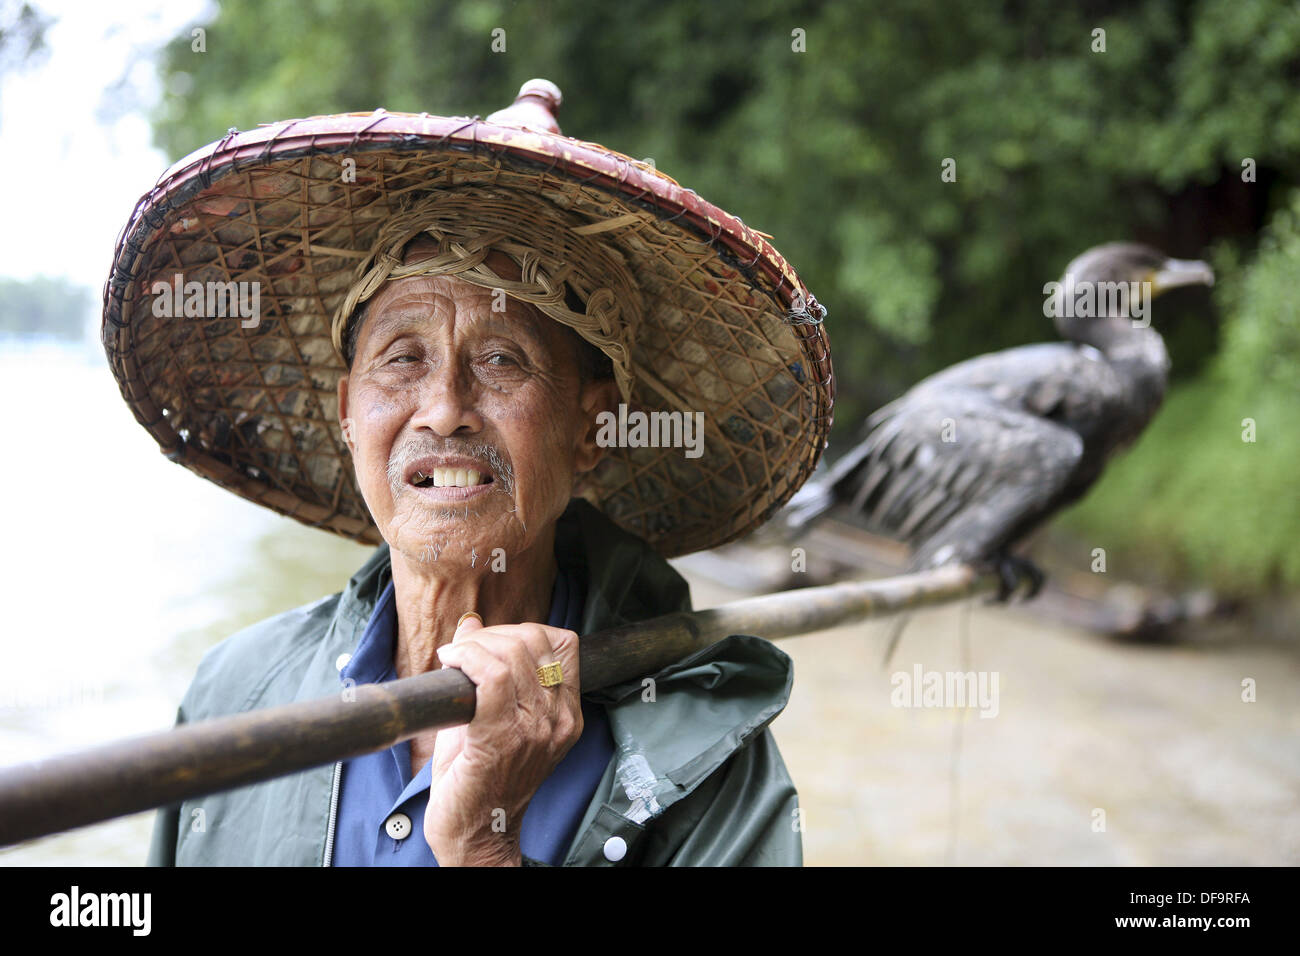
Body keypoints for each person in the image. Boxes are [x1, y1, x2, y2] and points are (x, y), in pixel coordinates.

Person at [102, 79, 833, 866]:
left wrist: (486, 850)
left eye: (500, 359)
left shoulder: (705, 751)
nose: (443, 409)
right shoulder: (237, 693)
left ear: (590, 426)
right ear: (349, 413)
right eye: (403, 358)